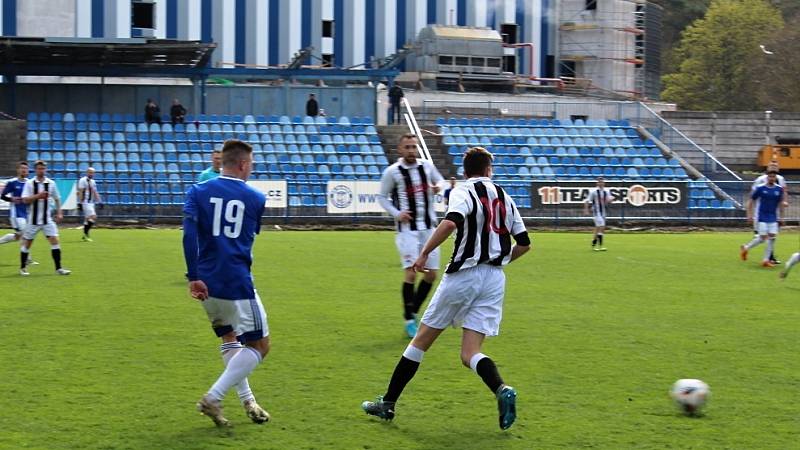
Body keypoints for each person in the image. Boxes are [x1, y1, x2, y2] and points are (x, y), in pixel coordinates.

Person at [362, 146, 531, 430]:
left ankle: (387, 404)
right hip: (495, 279)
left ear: (465, 172)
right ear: (489, 170)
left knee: (420, 342)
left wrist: (425, 252)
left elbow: (451, 221)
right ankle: (502, 389)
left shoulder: (463, 191)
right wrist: (498, 260)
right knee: (470, 353)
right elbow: (525, 244)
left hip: (464, 275)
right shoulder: (505, 196)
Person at [183, 139, 271, 427]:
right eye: (251, 165)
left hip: (206, 281)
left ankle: (248, 401)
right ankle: (214, 397)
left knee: (229, 337)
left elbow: (189, 237)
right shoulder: (256, 199)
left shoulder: (197, 191)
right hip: (237, 281)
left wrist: (193, 276)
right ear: (243, 164)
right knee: (259, 346)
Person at [377, 133, 444, 338]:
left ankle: (412, 310)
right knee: (412, 273)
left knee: (431, 274)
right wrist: (398, 214)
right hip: (407, 231)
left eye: (414, 147)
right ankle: (409, 319)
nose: (411, 151)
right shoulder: (393, 172)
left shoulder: (427, 167)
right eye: (407, 147)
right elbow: (382, 197)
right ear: (400, 149)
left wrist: (438, 187)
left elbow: (440, 182)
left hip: (429, 228)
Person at [19, 161, 70, 276]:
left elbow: (57, 198)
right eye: (39, 169)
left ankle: (58, 268)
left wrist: (60, 212)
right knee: (27, 244)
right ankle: (23, 268)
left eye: (43, 168)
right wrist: (38, 196)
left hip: (47, 220)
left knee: (55, 241)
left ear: (45, 170)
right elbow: (25, 200)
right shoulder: (30, 184)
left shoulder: (51, 183)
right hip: (33, 220)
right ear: (35, 170)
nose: (41, 170)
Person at [740, 170, 786, 268]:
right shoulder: (760, 188)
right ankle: (746, 248)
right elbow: (751, 201)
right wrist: (749, 215)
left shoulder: (779, 189)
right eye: (770, 177)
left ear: (775, 178)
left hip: (773, 217)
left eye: (773, 177)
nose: (772, 178)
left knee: (772, 238)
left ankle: (765, 260)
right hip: (762, 217)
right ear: (767, 178)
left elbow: (781, 204)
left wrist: (782, 217)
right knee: (762, 238)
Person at [751, 162, 787, 264]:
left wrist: (784, 201)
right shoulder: (760, 180)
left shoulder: (780, 179)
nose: (774, 167)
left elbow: (784, 192)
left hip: (773, 211)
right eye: (772, 166)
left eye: (776, 166)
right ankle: (767, 257)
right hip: (761, 211)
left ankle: (769, 258)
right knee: (765, 237)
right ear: (767, 168)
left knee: (771, 236)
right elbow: (753, 194)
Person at [583, 177, 613, 251]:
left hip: (604, 211)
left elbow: (608, 200)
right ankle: (600, 246)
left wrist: (611, 200)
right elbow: (587, 200)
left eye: (602, 182)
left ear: (604, 183)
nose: (601, 183)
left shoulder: (607, 191)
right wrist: (586, 210)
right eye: (599, 182)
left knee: (598, 229)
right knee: (602, 226)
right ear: (597, 183)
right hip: (596, 212)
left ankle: (594, 243)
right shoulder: (593, 191)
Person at [77, 167, 102, 242]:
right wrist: (80, 203)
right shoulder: (82, 180)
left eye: (92, 172)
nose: (91, 174)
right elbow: (80, 192)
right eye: (90, 172)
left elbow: (95, 192)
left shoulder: (93, 181)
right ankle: (86, 234)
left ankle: (85, 235)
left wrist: (100, 201)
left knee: (87, 220)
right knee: (93, 217)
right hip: (85, 202)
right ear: (87, 172)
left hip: (91, 202)